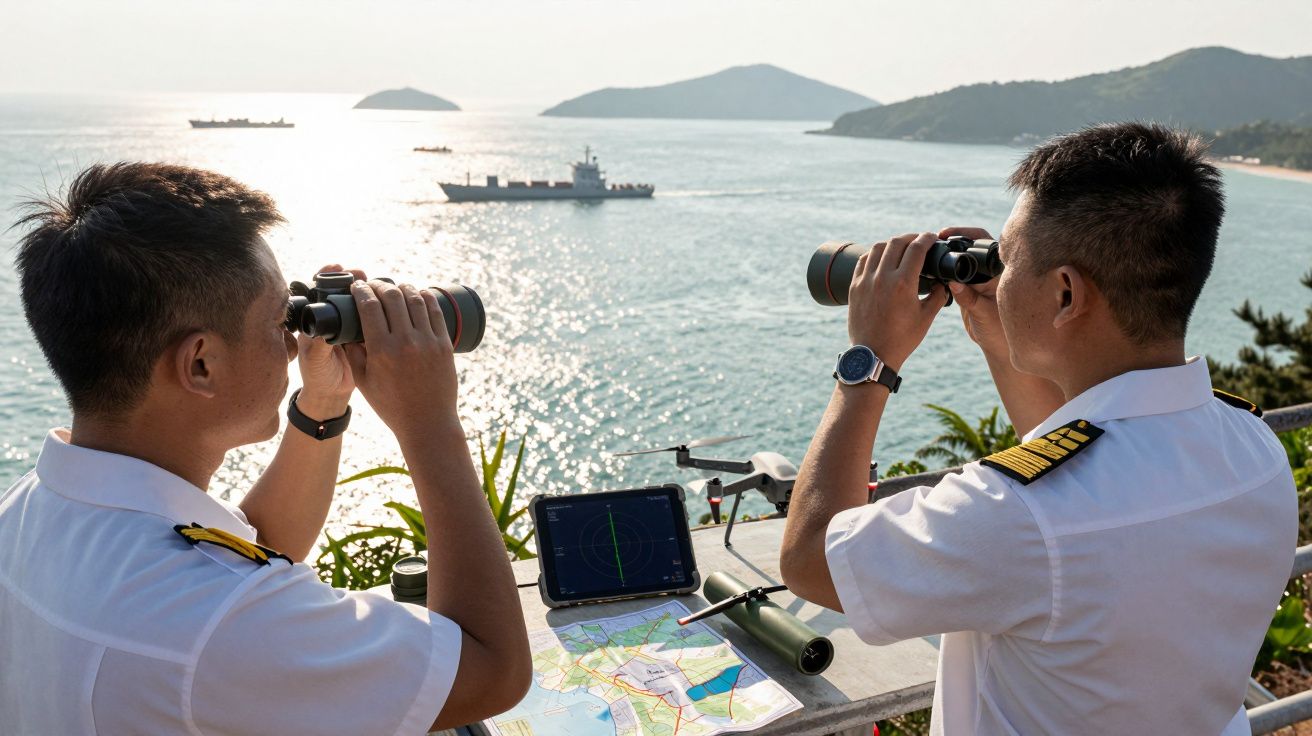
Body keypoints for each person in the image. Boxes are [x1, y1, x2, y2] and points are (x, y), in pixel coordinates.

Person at [779, 123, 1297, 734]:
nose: (998, 276)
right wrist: (1000, 337)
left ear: (1066, 292)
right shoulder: (1253, 447)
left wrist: (870, 361)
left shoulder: (1015, 515)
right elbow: (1085, 461)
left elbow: (811, 560)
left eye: (1009, 257)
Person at [0, 162, 531, 734]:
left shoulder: (33, 511)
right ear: (201, 363)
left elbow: (254, 552)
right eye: (280, 319)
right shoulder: (217, 625)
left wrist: (323, 404)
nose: (293, 341)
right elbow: (490, 671)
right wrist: (429, 424)